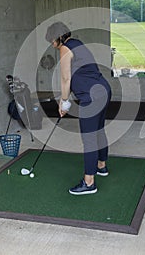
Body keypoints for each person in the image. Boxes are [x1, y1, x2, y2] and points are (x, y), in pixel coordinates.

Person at [45, 22, 111, 195]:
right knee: (98, 131)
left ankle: (89, 183)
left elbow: (66, 78)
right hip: (103, 90)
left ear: (59, 37)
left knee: (89, 139)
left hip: (91, 97)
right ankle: (101, 166)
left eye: (52, 40)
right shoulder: (78, 43)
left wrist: (64, 102)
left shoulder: (65, 48)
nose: (52, 44)